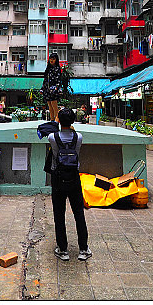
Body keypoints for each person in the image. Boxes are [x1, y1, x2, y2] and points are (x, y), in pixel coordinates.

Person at [48, 108, 92, 262]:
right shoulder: (78, 137)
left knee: (59, 214)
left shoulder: (52, 137)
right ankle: (83, 249)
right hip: (74, 178)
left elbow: (51, 129)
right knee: (78, 212)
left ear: (59, 120)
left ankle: (63, 249)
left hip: (58, 178)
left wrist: (56, 121)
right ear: (73, 121)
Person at [41, 53, 66, 122]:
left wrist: (56, 88)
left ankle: (57, 121)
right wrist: (42, 89)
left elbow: (58, 80)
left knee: (54, 106)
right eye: (50, 59)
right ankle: (52, 120)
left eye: (53, 59)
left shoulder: (57, 69)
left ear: (56, 60)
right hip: (47, 89)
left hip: (54, 89)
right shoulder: (48, 69)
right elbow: (45, 80)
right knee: (50, 106)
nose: (51, 60)